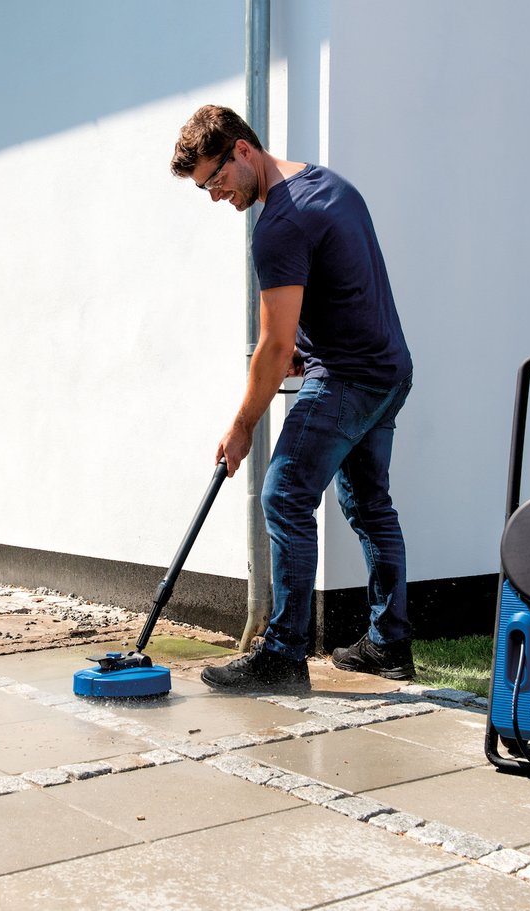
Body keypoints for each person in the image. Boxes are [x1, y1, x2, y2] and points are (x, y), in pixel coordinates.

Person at [170, 104, 415, 692]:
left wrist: (242, 426)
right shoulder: (330, 184)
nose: (215, 195)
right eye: (204, 188)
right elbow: (344, 286)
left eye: (215, 179)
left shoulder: (279, 225)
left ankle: (282, 654)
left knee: (283, 495)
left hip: (349, 377)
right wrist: (308, 344)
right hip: (388, 372)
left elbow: (273, 346)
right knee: (370, 506)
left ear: (242, 149)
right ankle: (388, 644)